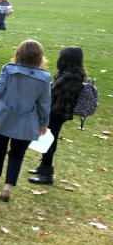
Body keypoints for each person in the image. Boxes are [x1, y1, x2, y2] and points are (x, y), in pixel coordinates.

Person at [0, 39, 51, 202]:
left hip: (4, 116)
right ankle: (7, 187)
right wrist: (43, 123)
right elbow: (44, 103)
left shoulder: (9, 69)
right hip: (27, 120)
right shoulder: (45, 77)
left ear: (18, 54)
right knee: (17, 154)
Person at [29, 46, 88, 185]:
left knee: (48, 139)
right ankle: (43, 167)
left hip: (57, 111)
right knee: (49, 138)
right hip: (59, 111)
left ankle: (47, 174)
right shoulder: (74, 74)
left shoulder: (70, 76)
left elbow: (52, 91)